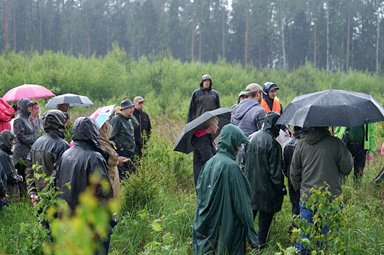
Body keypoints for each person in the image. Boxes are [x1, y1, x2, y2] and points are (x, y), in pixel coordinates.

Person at [192, 124, 258, 254]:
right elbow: (243, 206)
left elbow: (200, 196)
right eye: (239, 144)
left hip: (206, 231)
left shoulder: (209, 163)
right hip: (227, 233)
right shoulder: (231, 168)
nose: (240, 148)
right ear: (232, 143)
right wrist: (253, 238)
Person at [290, 127, 353, 254]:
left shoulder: (301, 144)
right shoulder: (336, 143)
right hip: (332, 199)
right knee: (329, 240)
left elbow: (294, 172)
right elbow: (347, 169)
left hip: (307, 198)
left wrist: (301, 190)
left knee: (304, 239)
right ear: (327, 126)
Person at [55, 117, 112, 254]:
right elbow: (104, 192)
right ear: (93, 132)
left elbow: (56, 185)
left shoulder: (65, 154)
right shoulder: (95, 157)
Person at [242, 111, 285, 248]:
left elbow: (242, 163)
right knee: (264, 222)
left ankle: (243, 245)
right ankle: (259, 246)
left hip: (249, 187)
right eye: (278, 126)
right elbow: (276, 173)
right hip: (267, 191)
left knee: (249, 219)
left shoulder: (250, 137)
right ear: (274, 125)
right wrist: (281, 189)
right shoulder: (274, 144)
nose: (279, 130)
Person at [26, 110, 70, 206]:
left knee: (42, 221)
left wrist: (32, 192)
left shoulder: (36, 143)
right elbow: (61, 173)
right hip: (56, 198)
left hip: (39, 198)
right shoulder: (62, 145)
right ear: (59, 123)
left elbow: (29, 170)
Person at [231, 83, 267, 164]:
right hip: (254, 154)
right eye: (262, 94)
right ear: (258, 93)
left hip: (238, 152)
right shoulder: (260, 111)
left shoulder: (235, 109)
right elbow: (264, 137)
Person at [283, 126, 305, 232]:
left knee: (294, 204)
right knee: (303, 206)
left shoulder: (288, 145)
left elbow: (285, 166)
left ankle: (295, 228)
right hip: (303, 180)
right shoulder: (304, 145)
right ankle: (298, 229)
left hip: (291, 180)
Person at [109, 99, 139, 179]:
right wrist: (119, 147)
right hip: (122, 152)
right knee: (121, 176)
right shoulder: (117, 119)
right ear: (124, 109)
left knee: (130, 175)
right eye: (130, 108)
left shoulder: (129, 120)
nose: (132, 110)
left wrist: (130, 115)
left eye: (132, 108)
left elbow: (137, 124)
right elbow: (111, 136)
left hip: (131, 151)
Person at [13, 98, 38, 193]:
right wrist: (32, 142)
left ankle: (26, 196)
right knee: (22, 175)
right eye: (29, 106)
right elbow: (19, 135)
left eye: (32, 106)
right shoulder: (19, 119)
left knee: (27, 174)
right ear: (24, 107)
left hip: (27, 150)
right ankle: (21, 198)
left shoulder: (26, 118)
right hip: (21, 153)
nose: (31, 108)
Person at [100, 122, 128, 198]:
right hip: (109, 175)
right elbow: (113, 159)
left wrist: (120, 160)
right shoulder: (103, 144)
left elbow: (107, 157)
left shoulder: (98, 142)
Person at [191, 116, 218, 187]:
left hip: (205, 175)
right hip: (203, 177)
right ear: (211, 125)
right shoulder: (202, 140)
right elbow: (208, 159)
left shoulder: (207, 138)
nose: (217, 127)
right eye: (216, 125)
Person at [0, 130, 23, 201]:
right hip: (10, 193)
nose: (13, 142)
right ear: (5, 140)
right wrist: (19, 178)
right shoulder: (2, 155)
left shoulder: (4, 153)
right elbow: (9, 175)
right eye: (11, 140)